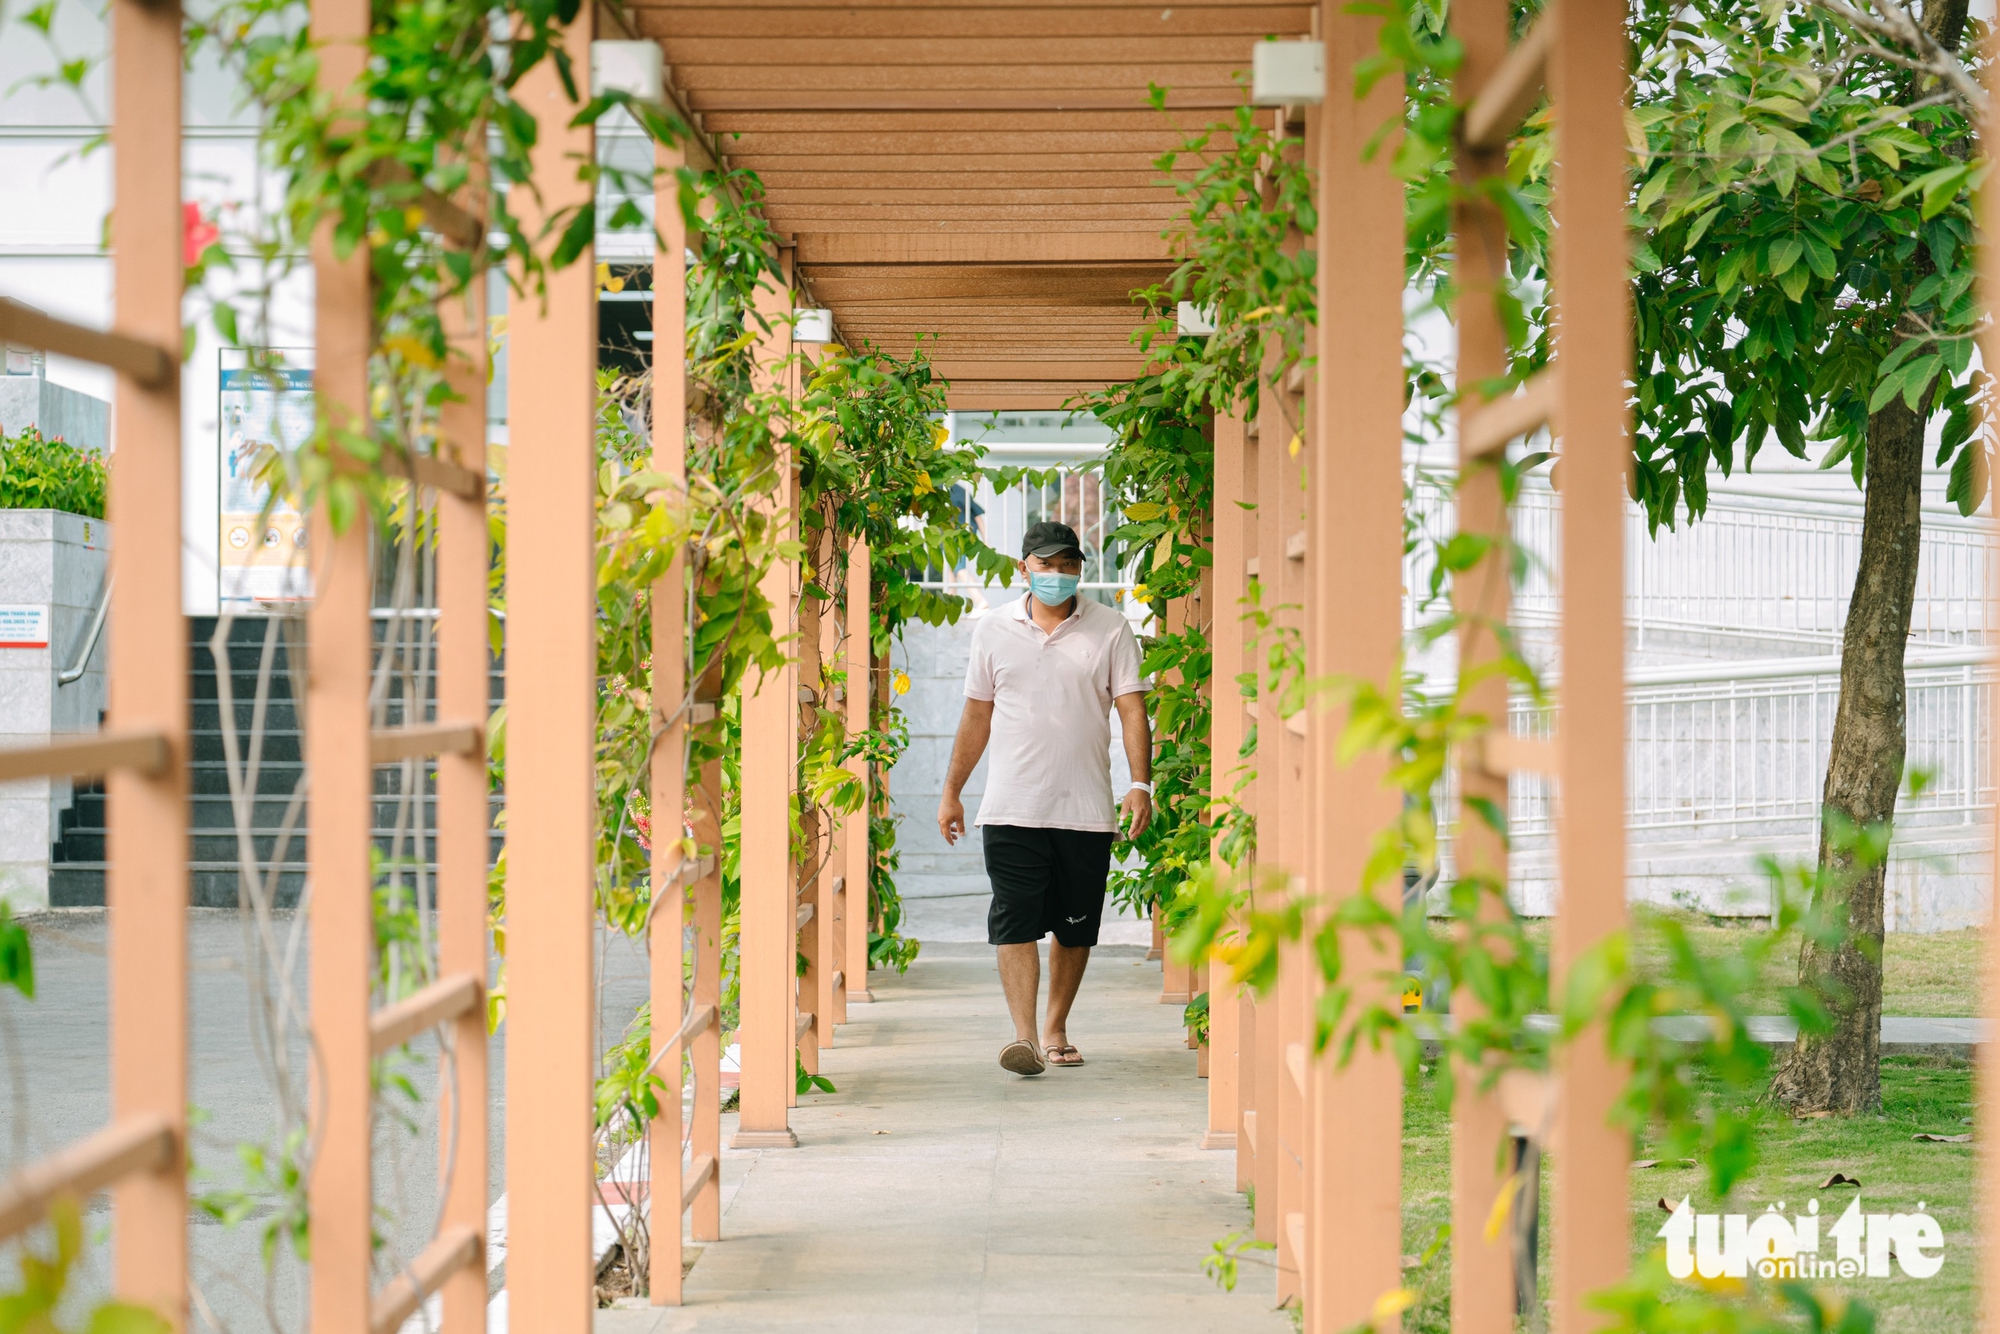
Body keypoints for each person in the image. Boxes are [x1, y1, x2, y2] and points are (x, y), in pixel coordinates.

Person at [937, 520, 1153, 1077]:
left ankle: (1056, 1027)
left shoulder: (1111, 628)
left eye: (1066, 565)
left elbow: (1132, 709)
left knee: (1075, 926)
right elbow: (976, 716)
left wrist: (1140, 783)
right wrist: (952, 791)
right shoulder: (992, 630)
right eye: (1045, 565)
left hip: (1085, 808)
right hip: (1011, 806)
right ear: (1023, 568)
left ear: (1081, 569)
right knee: (1014, 919)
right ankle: (1026, 1038)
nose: (1055, 575)